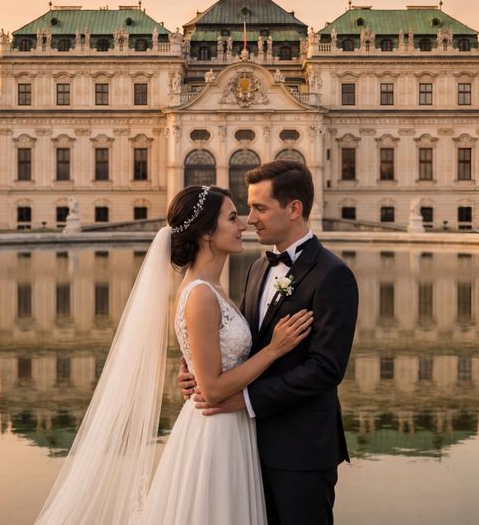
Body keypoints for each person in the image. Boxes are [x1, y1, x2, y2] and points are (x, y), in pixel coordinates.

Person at [35, 184, 314, 525]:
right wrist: (274, 350)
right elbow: (211, 390)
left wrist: (192, 369)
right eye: (231, 218)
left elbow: (215, 359)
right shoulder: (200, 294)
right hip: (215, 431)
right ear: (207, 234)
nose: (243, 224)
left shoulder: (212, 287)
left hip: (229, 426)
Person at [179, 160, 359, 524]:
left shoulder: (333, 275)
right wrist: (193, 368)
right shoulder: (259, 267)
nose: (250, 218)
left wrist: (244, 399)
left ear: (293, 209)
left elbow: (326, 369)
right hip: (243, 446)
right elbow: (240, 340)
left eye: (259, 207)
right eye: (246, 209)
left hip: (300, 451)